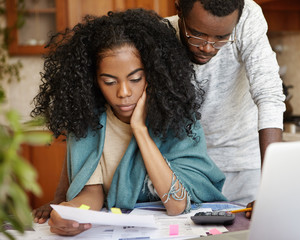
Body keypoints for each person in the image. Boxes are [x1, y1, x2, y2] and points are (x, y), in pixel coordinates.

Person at [31, 9, 227, 235]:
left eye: (135, 79)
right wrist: (72, 213)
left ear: (154, 73)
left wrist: (140, 131)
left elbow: (177, 204)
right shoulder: (88, 121)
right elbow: (92, 193)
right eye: (109, 81)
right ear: (94, 80)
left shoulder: (178, 119)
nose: (123, 92)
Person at [166, 0, 285, 217]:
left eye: (221, 37)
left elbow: (269, 95)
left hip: (245, 169)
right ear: (179, 10)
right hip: (188, 172)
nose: (208, 47)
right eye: (197, 34)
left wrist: (272, 191)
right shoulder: (162, 32)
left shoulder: (247, 16)